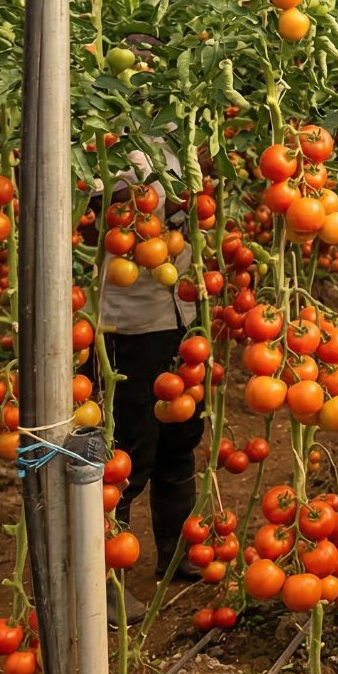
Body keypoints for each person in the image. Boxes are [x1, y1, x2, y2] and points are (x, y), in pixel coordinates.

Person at [86, 127, 200, 624]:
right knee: (126, 455)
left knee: (181, 436)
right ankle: (105, 580)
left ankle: (180, 550)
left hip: (183, 315)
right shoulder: (97, 148)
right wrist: (135, 202)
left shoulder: (181, 138)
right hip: (124, 325)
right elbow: (91, 228)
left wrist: (184, 205)